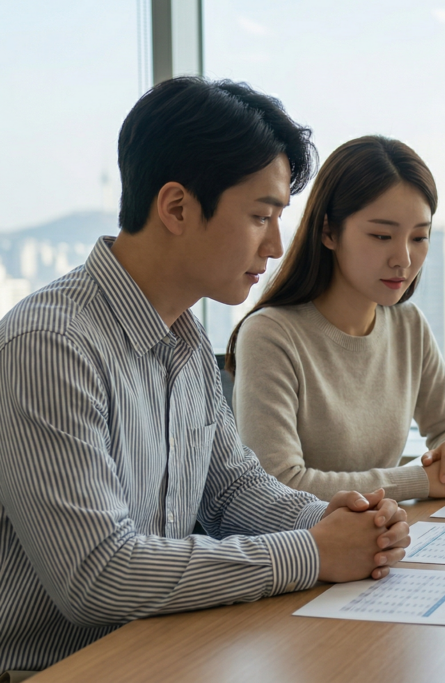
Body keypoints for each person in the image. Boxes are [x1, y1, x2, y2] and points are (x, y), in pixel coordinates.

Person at [0, 78, 410, 676]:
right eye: (260, 216)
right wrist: (313, 552)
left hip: (160, 652)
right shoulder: (51, 347)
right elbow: (96, 575)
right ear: (176, 208)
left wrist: (331, 522)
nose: (275, 245)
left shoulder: (185, 339)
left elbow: (230, 490)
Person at [225, 136, 445, 503]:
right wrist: (419, 481)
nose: (403, 259)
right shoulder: (270, 335)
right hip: (307, 539)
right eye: (382, 235)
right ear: (328, 232)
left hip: (384, 531)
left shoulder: (408, 325)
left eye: (419, 237)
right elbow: (278, 484)